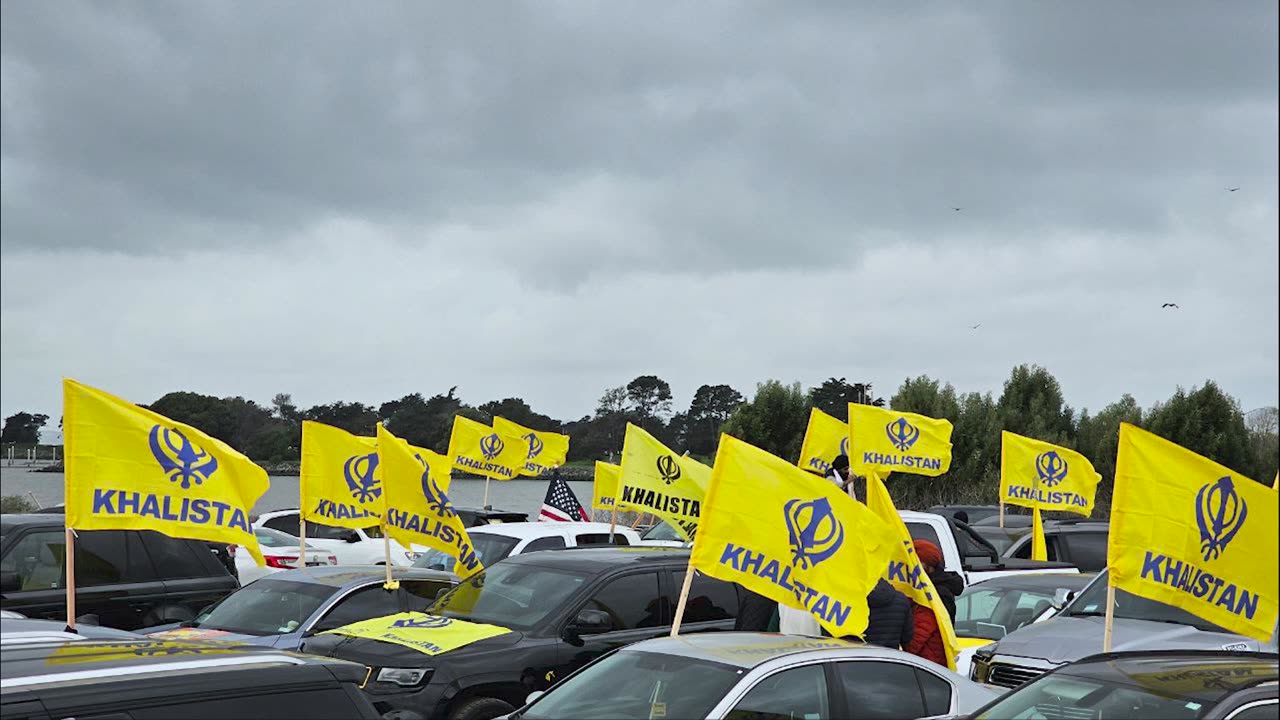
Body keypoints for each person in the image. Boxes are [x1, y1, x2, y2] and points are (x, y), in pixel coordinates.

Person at [906, 539, 965, 665]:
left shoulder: (936, 594)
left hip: (927, 664)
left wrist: (901, 652)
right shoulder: (927, 588)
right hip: (928, 660)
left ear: (928, 566)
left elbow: (920, 632)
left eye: (915, 563)